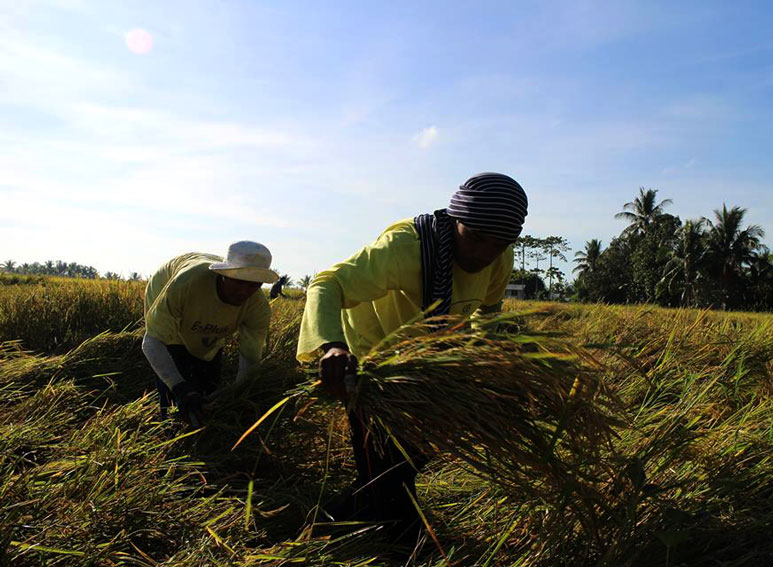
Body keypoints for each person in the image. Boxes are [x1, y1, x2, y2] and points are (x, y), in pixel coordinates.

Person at [296, 172, 528, 545]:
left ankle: (330, 527)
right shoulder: (407, 246)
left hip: (432, 365)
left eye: (498, 245)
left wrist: (491, 367)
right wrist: (332, 346)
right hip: (374, 365)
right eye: (477, 238)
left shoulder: (498, 256)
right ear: (456, 221)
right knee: (385, 469)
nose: (483, 254)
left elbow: (488, 312)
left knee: (407, 460)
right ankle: (395, 541)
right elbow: (327, 283)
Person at [142, 241, 278, 423]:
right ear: (224, 275)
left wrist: (234, 396)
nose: (244, 292)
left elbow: (250, 359)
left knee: (208, 389)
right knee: (178, 400)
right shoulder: (186, 283)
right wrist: (180, 388)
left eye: (254, 285)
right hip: (169, 291)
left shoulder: (258, 307)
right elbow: (152, 342)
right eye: (239, 282)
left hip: (208, 332)